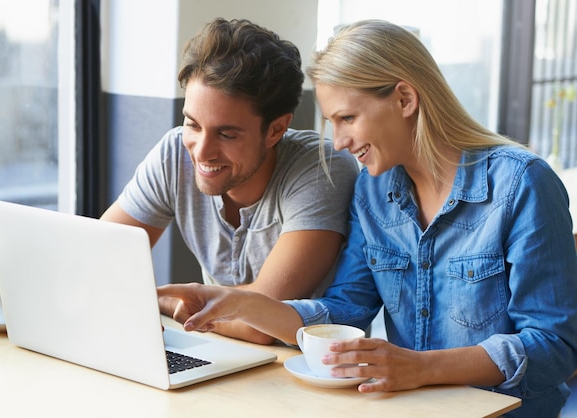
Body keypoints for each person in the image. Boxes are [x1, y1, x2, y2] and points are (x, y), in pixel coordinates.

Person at [157, 20, 577, 417]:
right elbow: (346, 309)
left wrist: (423, 368)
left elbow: (554, 346)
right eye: (332, 123)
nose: (338, 142)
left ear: (404, 99)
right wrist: (247, 305)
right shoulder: (374, 193)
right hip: (407, 407)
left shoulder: (522, 183)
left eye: (347, 119)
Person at [100, 18, 359, 344]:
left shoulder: (321, 168)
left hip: (298, 369)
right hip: (218, 348)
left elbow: (260, 320)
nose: (202, 151)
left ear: (276, 130)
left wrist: (160, 298)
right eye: (192, 125)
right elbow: (99, 260)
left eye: (226, 133)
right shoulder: (173, 153)